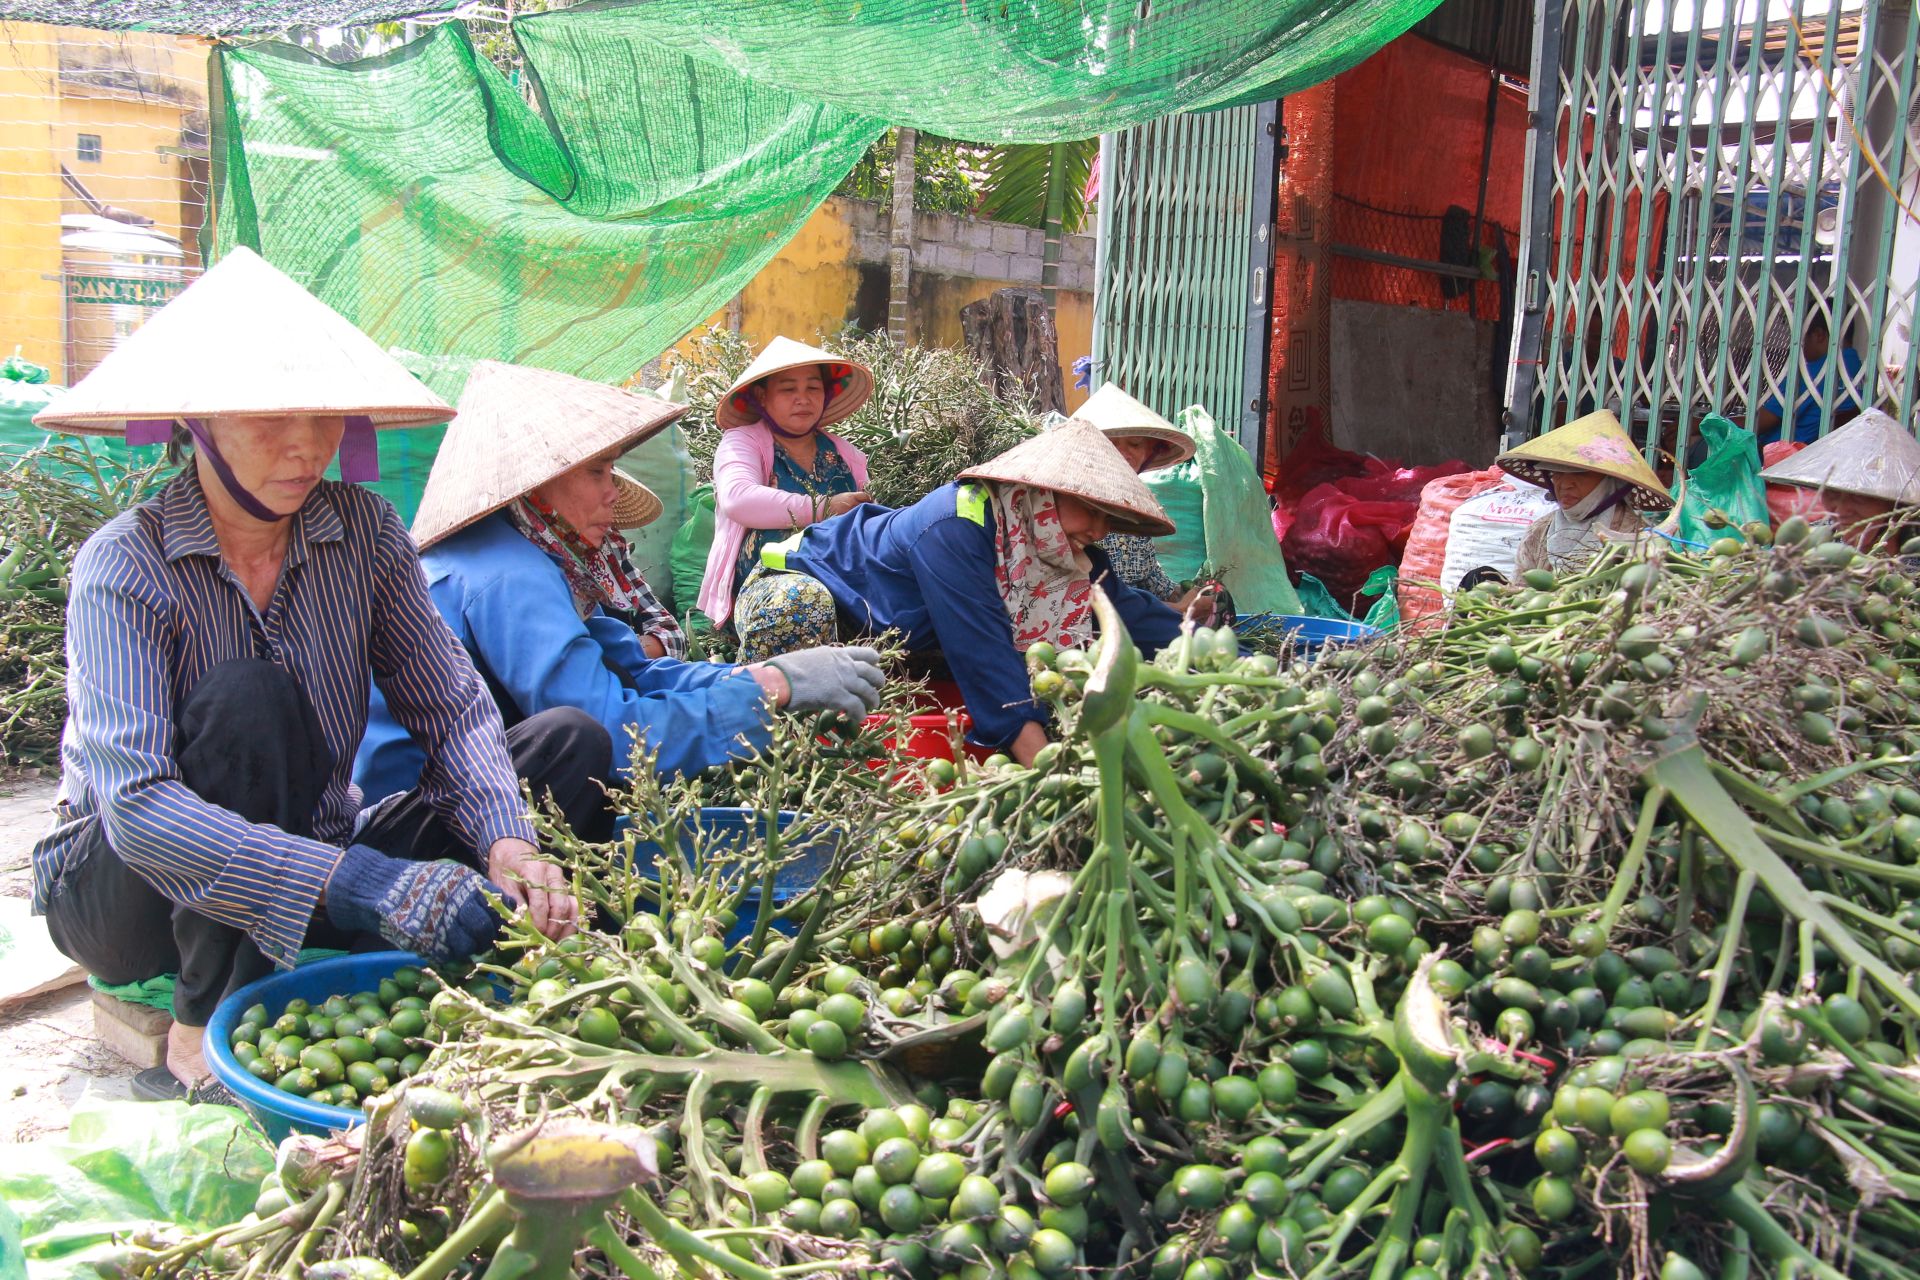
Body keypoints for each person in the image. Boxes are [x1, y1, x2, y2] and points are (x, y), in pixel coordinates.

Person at [27, 249, 606, 1101]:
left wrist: (505, 838)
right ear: (199, 424)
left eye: (324, 415)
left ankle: (367, 922)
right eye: (268, 420)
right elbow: (139, 808)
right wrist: (365, 884)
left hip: (312, 840)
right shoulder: (127, 563)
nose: (305, 447)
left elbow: (449, 706)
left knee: (567, 743)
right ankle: (202, 1023)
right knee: (248, 698)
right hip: (128, 893)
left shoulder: (364, 533)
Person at [354, 361, 885, 799]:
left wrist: (760, 674)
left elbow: (633, 670)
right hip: (422, 810)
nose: (613, 493)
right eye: (597, 472)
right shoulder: (504, 573)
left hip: (468, 788)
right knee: (574, 738)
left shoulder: (540, 559)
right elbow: (611, 730)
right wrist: (772, 689)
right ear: (535, 485)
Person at [736, 418, 1183, 765]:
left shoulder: (1056, 551)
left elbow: (1125, 613)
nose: (1099, 529)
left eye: (1111, 517)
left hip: (898, 637)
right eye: (1091, 509)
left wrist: (1226, 651)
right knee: (796, 608)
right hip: (809, 590)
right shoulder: (956, 525)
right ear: (1046, 492)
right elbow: (982, 653)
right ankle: (771, 757)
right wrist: (1046, 769)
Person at [697, 337, 875, 652]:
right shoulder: (743, 442)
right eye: (788, 389)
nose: (802, 399)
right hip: (765, 582)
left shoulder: (846, 455)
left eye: (813, 388)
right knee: (803, 601)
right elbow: (737, 498)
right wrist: (824, 508)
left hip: (842, 580)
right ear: (762, 397)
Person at [1070, 382, 1224, 622]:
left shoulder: (1135, 513)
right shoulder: (1073, 510)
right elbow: (1102, 602)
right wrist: (1180, 610)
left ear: (1149, 452)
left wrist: (1190, 596)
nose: (1124, 455)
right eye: (1112, 444)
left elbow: (1153, 579)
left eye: (1134, 444)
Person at [1495, 409, 1674, 574]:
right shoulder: (1539, 532)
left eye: (1579, 474)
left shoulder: (1637, 536)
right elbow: (1520, 593)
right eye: (1557, 474)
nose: (1565, 484)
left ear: (1609, 480)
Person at [1758, 408, 1920, 551]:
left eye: (1857, 498)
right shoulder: (1809, 540)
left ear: (1895, 503)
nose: (1842, 511)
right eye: (1832, 495)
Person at [1750, 312, 1865, 446]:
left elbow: (1758, 423)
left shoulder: (1811, 375)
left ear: (1818, 335)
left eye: (1802, 338)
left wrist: (1722, 424)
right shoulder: (1861, 373)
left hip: (1784, 459)